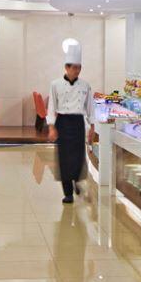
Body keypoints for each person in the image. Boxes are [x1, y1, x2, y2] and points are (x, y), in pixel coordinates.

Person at [46, 41, 95, 203]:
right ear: (66, 68)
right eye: (74, 68)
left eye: (79, 68)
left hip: (78, 122)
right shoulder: (55, 84)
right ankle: (67, 193)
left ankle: (76, 180)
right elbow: (52, 106)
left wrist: (92, 127)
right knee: (64, 158)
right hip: (63, 122)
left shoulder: (85, 85)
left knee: (78, 155)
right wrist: (51, 127)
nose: (77, 71)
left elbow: (90, 107)